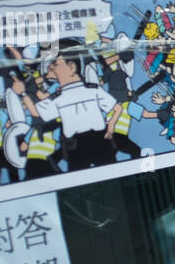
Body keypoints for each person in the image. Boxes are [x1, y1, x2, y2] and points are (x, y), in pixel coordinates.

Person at [11, 41, 121, 171]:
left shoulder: (92, 89)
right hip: (75, 146)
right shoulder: (58, 96)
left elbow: (117, 108)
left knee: (112, 171)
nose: (52, 68)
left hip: (100, 141)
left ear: (72, 67)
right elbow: (37, 113)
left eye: (56, 64)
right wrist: (23, 93)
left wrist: (112, 125)